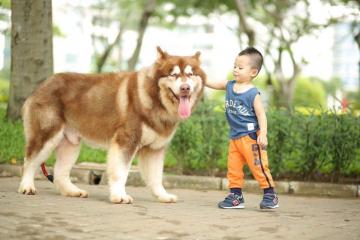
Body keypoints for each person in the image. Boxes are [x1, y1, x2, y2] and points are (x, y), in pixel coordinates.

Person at [205, 47, 279, 209]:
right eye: (235, 66)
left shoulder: (253, 94)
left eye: (240, 67)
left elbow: (261, 116)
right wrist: (199, 77)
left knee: (258, 166)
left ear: (253, 72)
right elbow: (212, 83)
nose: (235, 70)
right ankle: (236, 196)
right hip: (235, 137)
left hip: (251, 137)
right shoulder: (230, 85)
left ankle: (270, 194)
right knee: (234, 168)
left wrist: (263, 134)